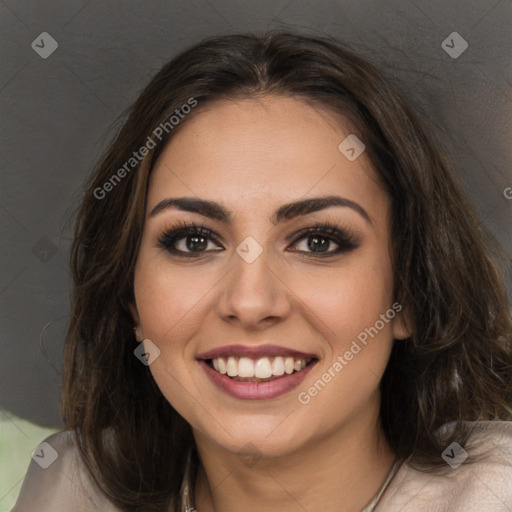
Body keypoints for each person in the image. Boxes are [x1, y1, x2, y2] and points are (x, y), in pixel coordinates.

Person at [13, 31, 512, 512]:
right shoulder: (65, 491)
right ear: (131, 296)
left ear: (411, 291)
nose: (250, 303)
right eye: (194, 241)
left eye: (318, 242)